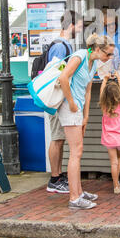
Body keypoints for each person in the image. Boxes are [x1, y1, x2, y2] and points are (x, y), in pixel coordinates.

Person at [58, 33, 115, 209]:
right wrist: (73, 104)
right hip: (70, 108)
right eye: (107, 54)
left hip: (78, 109)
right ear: (97, 49)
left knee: (78, 151)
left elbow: (88, 90)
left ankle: (79, 191)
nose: (108, 58)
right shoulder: (80, 56)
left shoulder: (93, 63)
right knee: (76, 152)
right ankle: (74, 198)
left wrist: (86, 115)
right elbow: (63, 78)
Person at [46, 10, 83, 195]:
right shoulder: (61, 47)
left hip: (59, 98)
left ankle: (58, 175)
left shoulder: (64, 45)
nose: (81, 29)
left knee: (59, 138)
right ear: (71, 26)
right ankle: (54, 178)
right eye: (80, 25)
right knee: (56, 138)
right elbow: (56, 74)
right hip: (56, 99)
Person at [99, 71, 120, 194]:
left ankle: (116, 185)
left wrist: (105, 79)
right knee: (119, 158)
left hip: (110, 139)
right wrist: (118, 78)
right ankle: (117, 182)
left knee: (113, 162)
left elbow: (102, 92)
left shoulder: (104, 106)